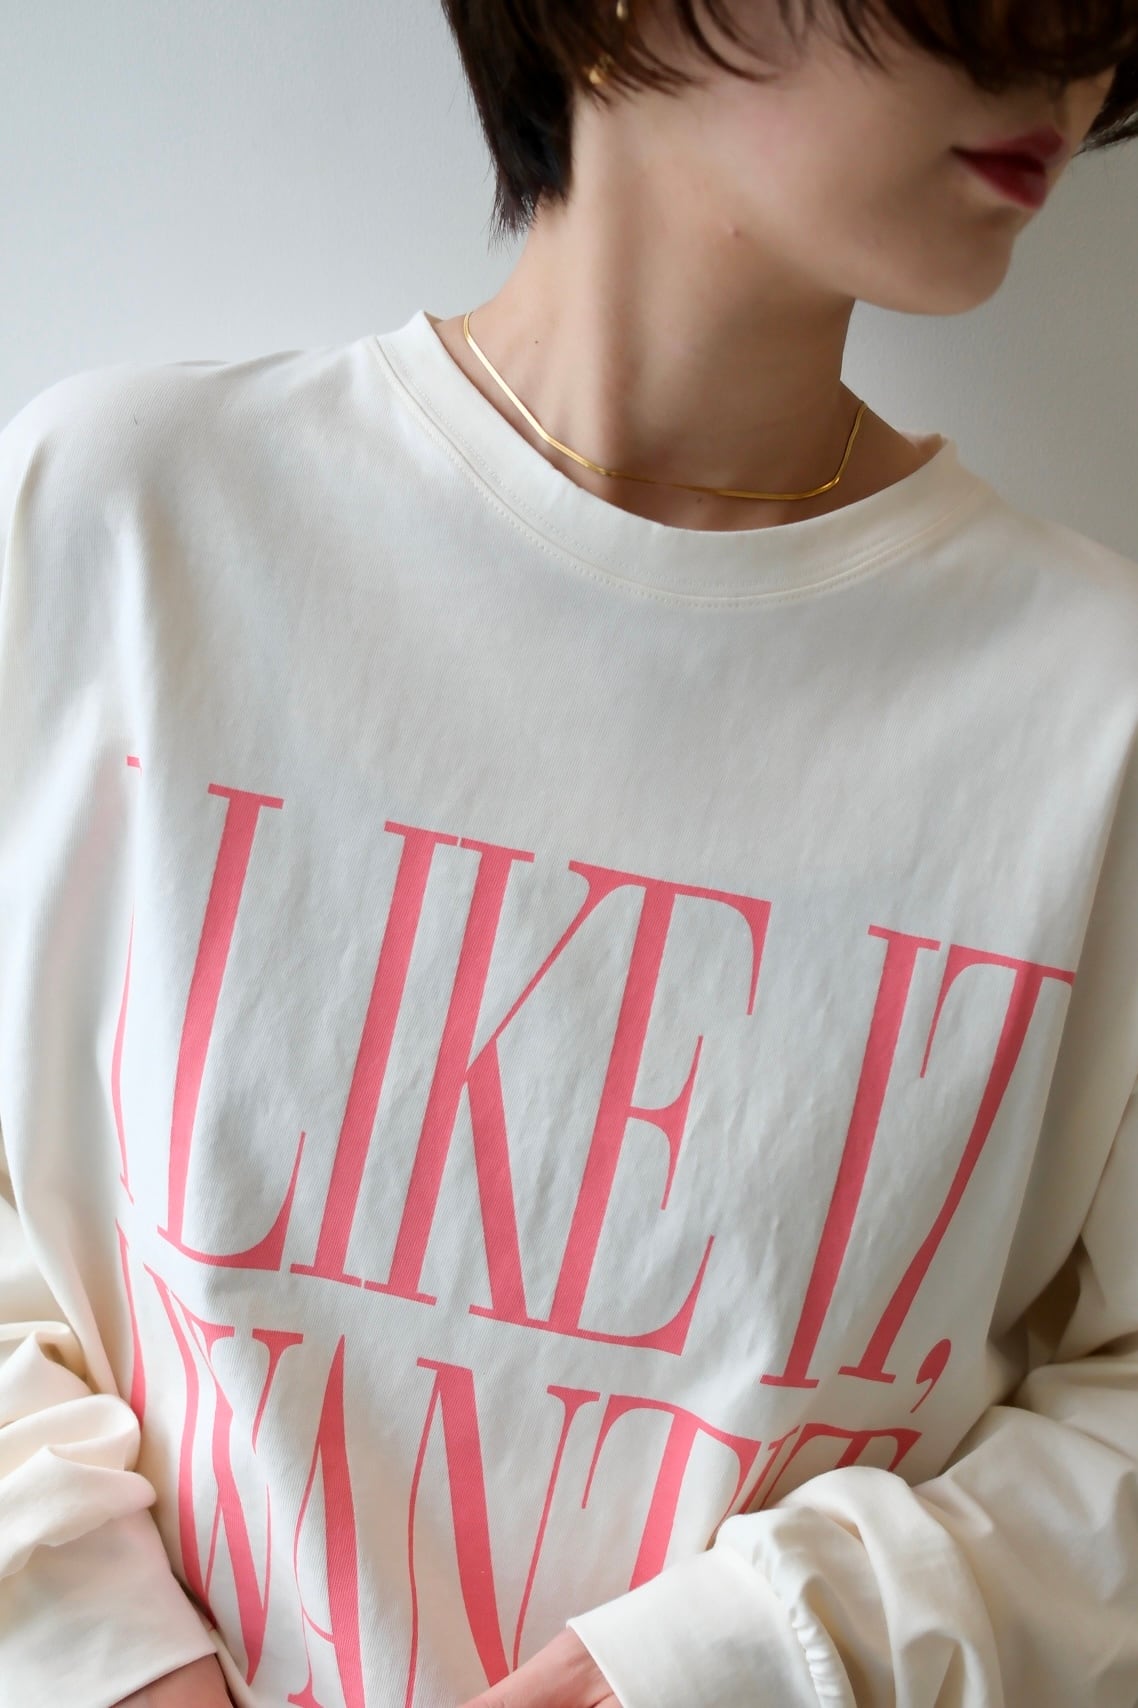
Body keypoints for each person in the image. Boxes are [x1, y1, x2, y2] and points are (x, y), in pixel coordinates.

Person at [1, 1, 1137, 1704]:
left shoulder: (1093, 707)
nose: (1068, 52)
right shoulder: (128, 523)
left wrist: (737, 1662)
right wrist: (105, 1653)